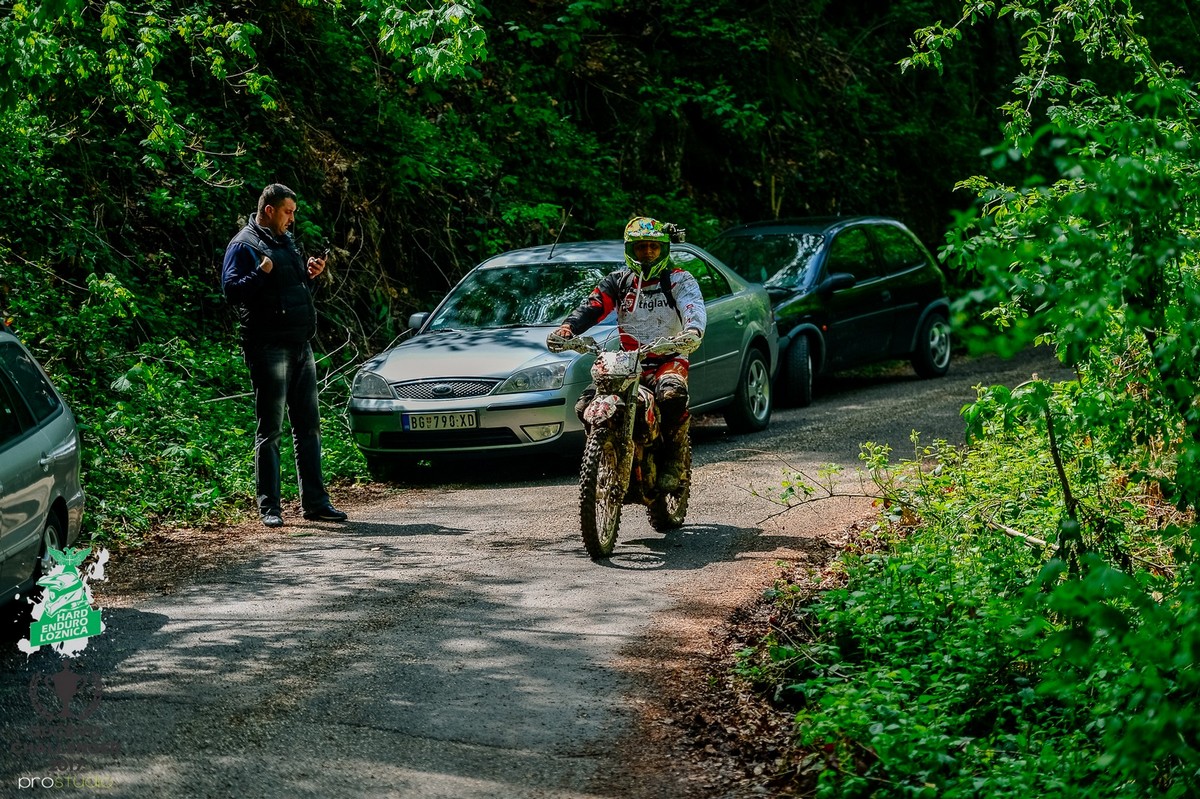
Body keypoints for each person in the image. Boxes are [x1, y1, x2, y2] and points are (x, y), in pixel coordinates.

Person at [221, 183, 347, 528]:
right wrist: (260, 272)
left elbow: (290, 289)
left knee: (309, 427)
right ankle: (270, 508)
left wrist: (310, 274)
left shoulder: (285, 241)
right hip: (268, 347)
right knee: (271, 430)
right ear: (269, 210)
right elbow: (231, 292)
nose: (292, 219)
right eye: (287, 212)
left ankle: (316, 503)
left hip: (300, 344)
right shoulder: (244, 245)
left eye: (293, 212)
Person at [547, 216, 706, 490]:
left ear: (663, 249)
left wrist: (692, 330)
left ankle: (673, 457)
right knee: (584, 405)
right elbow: (593, 307)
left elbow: (693, 307)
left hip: (668, 358)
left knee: (671, 396)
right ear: (631, 249)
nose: (648, 252)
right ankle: (602, 453)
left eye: (653, 247)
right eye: (641, 247)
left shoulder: (680, 280)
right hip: (628, 360)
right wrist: (567, 328)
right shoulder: (618, 282)